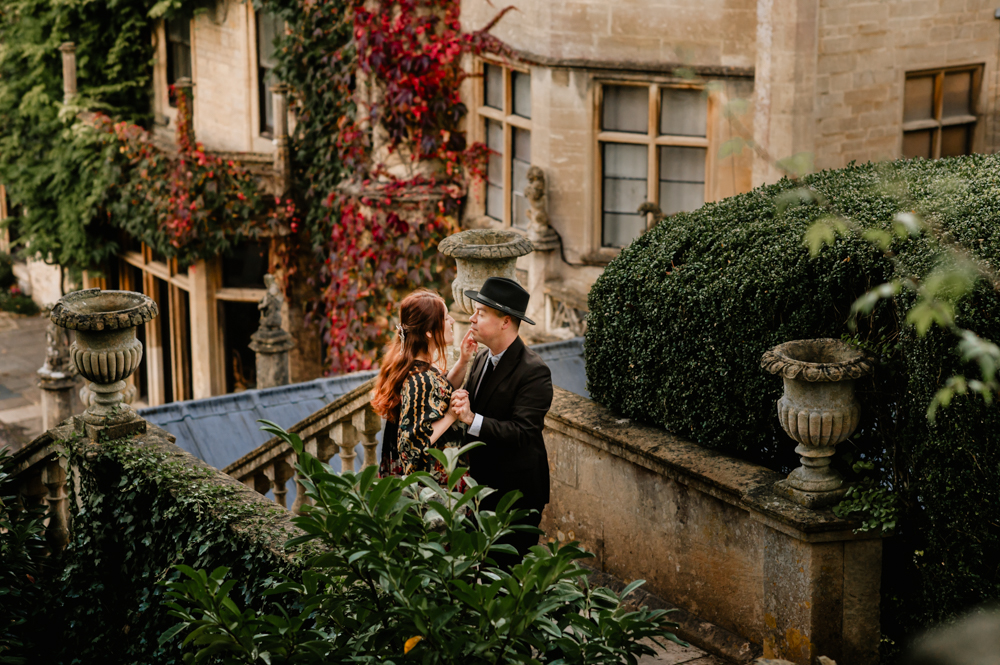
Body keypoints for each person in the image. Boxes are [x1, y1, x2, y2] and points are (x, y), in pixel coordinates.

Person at [450, 277, 553, 563]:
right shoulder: (482, 357)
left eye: (481, 313)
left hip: (515, 496)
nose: (472, 318)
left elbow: (522, 432)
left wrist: (472, 418)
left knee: (505, 574)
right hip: (479, 489)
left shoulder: (534, 371)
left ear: (505, 322)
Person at [372, 290, 477, 486]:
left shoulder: (419, 368)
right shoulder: (420, 380)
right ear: (429, 331)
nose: (452, 321)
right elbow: (411, 447)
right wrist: (451, 416)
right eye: (446, 317)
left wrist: (463, 360)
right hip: (432, 489)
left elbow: (440, 392)